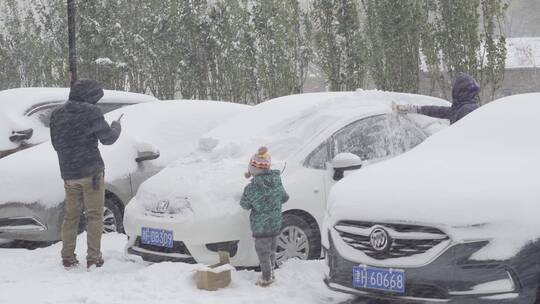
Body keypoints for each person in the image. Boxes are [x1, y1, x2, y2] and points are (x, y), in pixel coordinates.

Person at [50, 79, 122, 269]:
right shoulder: (91, 112)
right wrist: (116, 127)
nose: (96, 102)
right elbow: (108, 139)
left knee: (71, 216)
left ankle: (67, 256)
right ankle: (93, 257)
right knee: (94, 215)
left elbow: (56, 144)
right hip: (91, 174)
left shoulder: (57, 114)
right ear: (89, 96)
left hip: (68, 173)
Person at [240, 147, 289, 287]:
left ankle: (266, 278)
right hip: (275, 224)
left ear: (253, 169)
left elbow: (244, 205)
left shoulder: (251, 188)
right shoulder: (277, 181)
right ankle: (271, 273)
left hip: (260, 227)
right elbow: (285, 198)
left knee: (263, 253)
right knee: (272, 251)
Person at [394, 72, 480, 124]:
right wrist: (413, 109)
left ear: (460, 90)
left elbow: (461, 137)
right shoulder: (461, 107)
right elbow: (437, 111)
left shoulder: (467, 110)